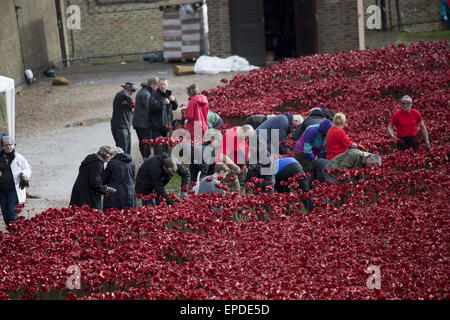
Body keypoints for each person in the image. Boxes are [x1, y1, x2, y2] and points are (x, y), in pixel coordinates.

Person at [70, 146, 117, 210]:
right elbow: (95, 183)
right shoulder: (97, 164)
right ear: (107, 156)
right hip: (88, 197)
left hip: (79, 192)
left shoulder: (90, 160)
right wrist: (105, 189)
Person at [0, 136, 31, 226]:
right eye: (6, 145)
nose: (8, 147)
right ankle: (11, 231)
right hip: (2, 189)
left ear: (13, 145)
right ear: (2, 146)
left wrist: (23, 174)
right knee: (5, 214)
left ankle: (14, 232)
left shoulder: (19, 158)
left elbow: (28, 169)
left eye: (10, 144)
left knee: (12, 213)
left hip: (14, 188)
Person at [215, 125, 254, 194]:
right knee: (235, 188)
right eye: (246, 137)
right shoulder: (230, 136)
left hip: (239, 163)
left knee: (244, 184)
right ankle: (234, 202)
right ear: (242, 131)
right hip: (227, 164)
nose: (246, 139)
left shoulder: (243, 134)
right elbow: (223, 156)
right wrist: (235, 167)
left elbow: (244, 147)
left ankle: (242, 201)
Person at [149, 78, 179, 154]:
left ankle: (167, 164)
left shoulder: (168, 94)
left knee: (167, 148)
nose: (163, 86)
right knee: (158, 148)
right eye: (161, 84)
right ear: (158, 85)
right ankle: (157, 164)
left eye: (164, 84)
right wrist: (163, 102)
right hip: (157, 127)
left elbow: (175, 107)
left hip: (167, 126)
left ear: (167, 85)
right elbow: (152, 107)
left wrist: (174, 100)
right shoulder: (154, 95)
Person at [133, 76, 159, 159]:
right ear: (152, 85)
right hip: (142, 123)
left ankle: (146, 158)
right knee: (145, 142)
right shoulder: (145, 93)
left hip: (141, 122)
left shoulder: (146, 91)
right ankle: (146, 159)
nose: (157, 88)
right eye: (157, 86)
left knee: (145, 142)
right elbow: (149, 108)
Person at [111, 82, 138, 155]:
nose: (132, 93)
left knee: (127, 150)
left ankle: (128, 165)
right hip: (119, 127)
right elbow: (123, 94)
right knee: (122, 150)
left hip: (126, 127)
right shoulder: (120, 95)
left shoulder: (126, 99)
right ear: (126, 89)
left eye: (133, 92)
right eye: (131, 91)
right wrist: (131, 102)